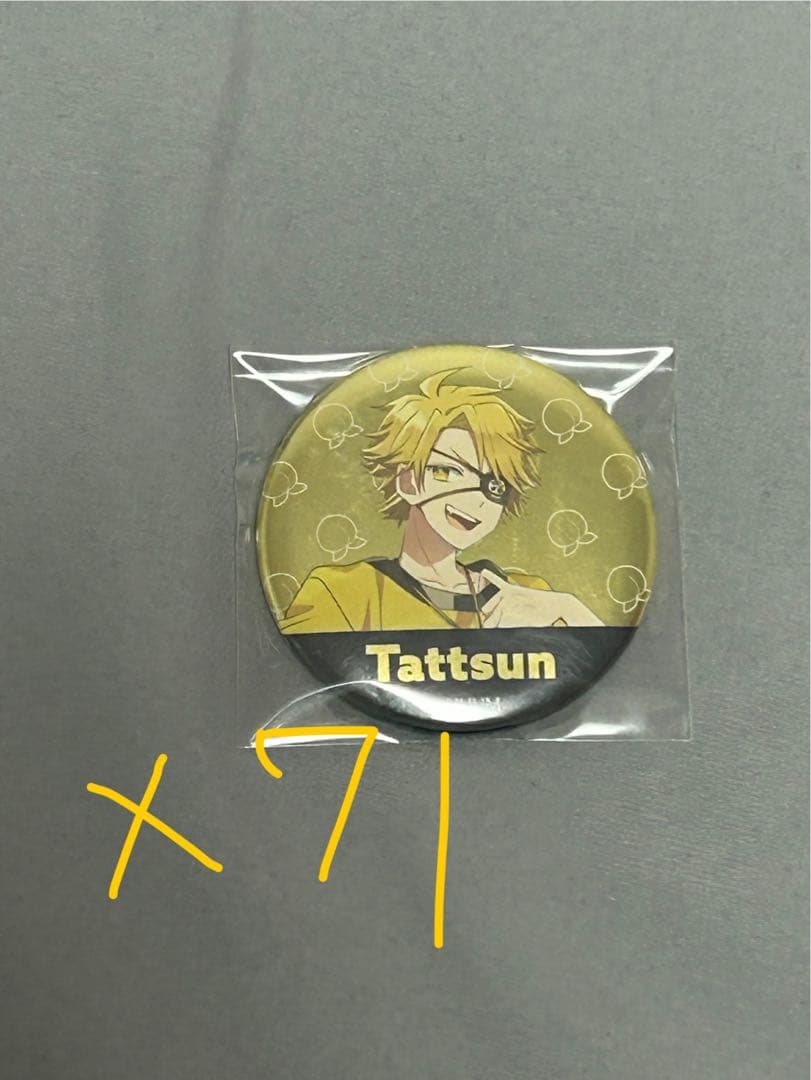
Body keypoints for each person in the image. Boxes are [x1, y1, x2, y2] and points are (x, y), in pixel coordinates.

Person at [279, 370, 603, 632]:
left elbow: (592, 664)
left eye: (494, 486)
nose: (474, 499)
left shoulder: (528, 592)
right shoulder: (343, 592)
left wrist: (568, 608)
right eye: (449, 472)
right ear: (408, 482)